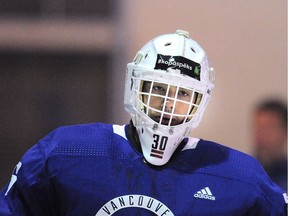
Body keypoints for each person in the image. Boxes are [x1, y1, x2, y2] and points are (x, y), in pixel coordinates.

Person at [0, 30, 287, 215]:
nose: (169, 103)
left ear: (200, 101)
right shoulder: (65, 153)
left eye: (183, 93)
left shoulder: (239, 177)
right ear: (135, 87)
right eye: (158, 88)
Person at [252, 99, 287, 191]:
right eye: (258, 128)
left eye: (269, 128)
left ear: (285, 132)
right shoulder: (242, 173)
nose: (261, 135)